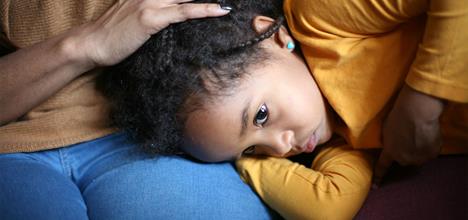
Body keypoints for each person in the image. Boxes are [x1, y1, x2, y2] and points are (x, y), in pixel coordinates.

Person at [102, 0, 468, 219]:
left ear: (275, 37)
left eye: (261, 115)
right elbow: (327, 210)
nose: (279, 149)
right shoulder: (340, 143)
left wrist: (422, 100)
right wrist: (242, 161)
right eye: (252, 149)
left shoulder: (322, 20)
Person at [0, 1, 280, 219]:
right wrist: (84, 45)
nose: (282, 147)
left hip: (149, 139)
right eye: (262, 115)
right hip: (12, 144)